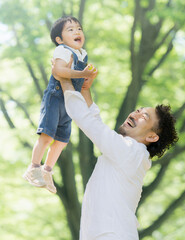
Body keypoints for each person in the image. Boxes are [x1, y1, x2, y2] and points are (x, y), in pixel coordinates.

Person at [55, 61, 178, 239]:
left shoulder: (132, 152)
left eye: (144, 116)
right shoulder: (129, 153)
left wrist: (65, 80)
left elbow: (88, 121)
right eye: (138, 110)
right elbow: (96, 123)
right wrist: (85, 90)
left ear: (151, 137)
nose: (135, 113)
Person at [23, 16, 97, 194]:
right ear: (59, 39)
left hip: (69, 102)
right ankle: (33, 167)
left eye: (79, 28)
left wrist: (87, 79)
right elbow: (58, 71)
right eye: (70, 30)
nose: (77, 32)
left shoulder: (82, 54)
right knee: (47, 136)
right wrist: (80, 74)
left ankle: (47, 170)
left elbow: (80, 82)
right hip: (55, 98)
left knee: (62, 141)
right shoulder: (62, 51)